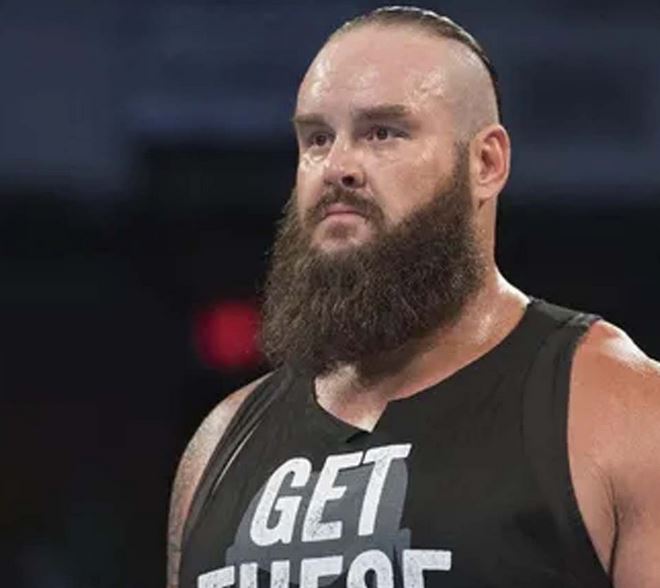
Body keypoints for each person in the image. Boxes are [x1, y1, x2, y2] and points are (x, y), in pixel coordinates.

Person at [167, 6, 660, 587]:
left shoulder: (616, 410)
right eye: (317, 139)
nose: (338, 166)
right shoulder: (221, 445)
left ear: (485, 163)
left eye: (383, 132)